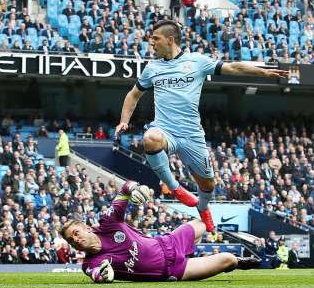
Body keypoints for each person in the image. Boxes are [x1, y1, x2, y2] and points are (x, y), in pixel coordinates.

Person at [115, 19, 288, 232]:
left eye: (155, 39)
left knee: (208, 185)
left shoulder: (196, 61)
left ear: (170, 40)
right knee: (150, 138)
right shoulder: (152, 68)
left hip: (191, 135)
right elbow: (133, 95)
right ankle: (175, 188)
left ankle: (203, 208)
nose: (151, 43)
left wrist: (262, 72)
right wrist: (124, 121)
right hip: (165, 130)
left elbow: (233, 67)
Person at [61, 181, 260, 283]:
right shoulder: (90, 263)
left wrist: (135, 187)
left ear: (87, 227)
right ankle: (237, 263)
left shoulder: (107, 222)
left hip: (169, 242)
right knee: (229, 259)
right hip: (173, 271)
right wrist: (103, 276)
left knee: (203, 222)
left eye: (76, 233)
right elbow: (96, 274)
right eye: (71, 241)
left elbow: (124, 189)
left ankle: (192, 247)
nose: (75, 240)